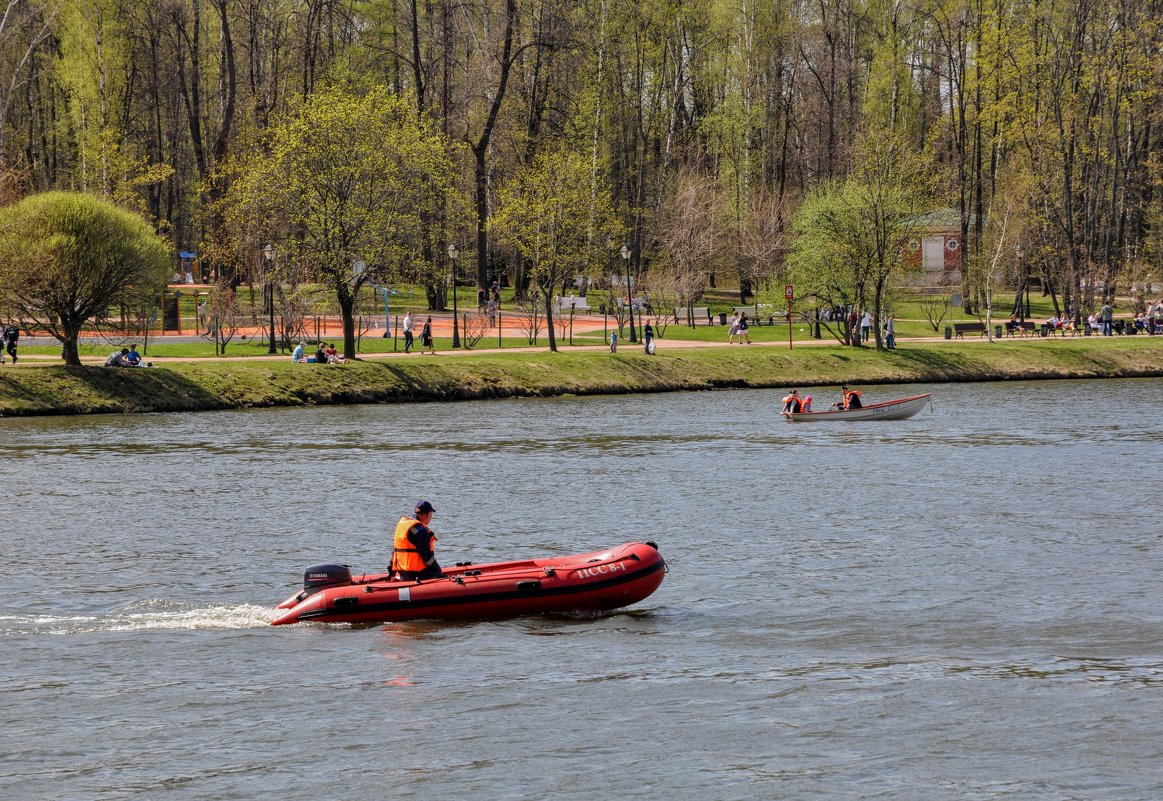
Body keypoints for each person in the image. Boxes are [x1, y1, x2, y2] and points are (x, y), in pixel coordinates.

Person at [391, 500, 443, 581]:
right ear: (427, 515)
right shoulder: (420, 531)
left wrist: (391, 573)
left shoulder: (404, 526)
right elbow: (427, 557)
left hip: (403, 572)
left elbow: (394, 552)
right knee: (442, 578)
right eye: (431, 515)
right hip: (417, 574)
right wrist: (438, 570)